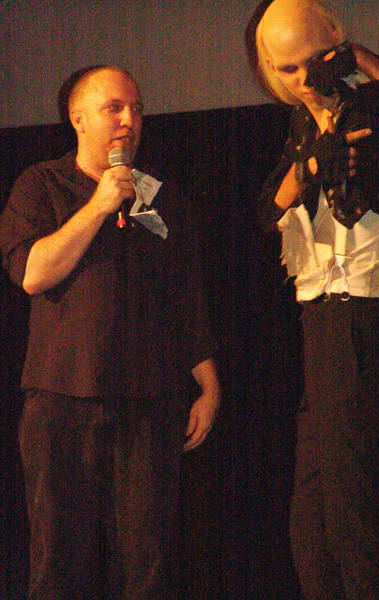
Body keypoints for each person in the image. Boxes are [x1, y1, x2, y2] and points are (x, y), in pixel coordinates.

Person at [0, 65, 220, 600]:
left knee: (148, 561)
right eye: (114, 108)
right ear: (77, 118)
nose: (129, 120)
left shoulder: (160, 197)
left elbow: (185, 302)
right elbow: (33, 274)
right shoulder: (41, 184)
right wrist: (99, 204)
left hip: (149, 404)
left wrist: (209, 385)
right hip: (62, 401)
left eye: (137, 109)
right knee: (59, 558)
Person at [245, 1, 379, 599]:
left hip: (364, 316)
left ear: (336, 40)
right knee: (313, 520)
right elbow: (268, 211)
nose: (304, 80)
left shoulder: (373, 108)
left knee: (355, 510)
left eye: (315, 61)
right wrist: (307, 166)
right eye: (287, 69)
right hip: (322, 318)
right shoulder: (303, 128)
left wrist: (360, 61)